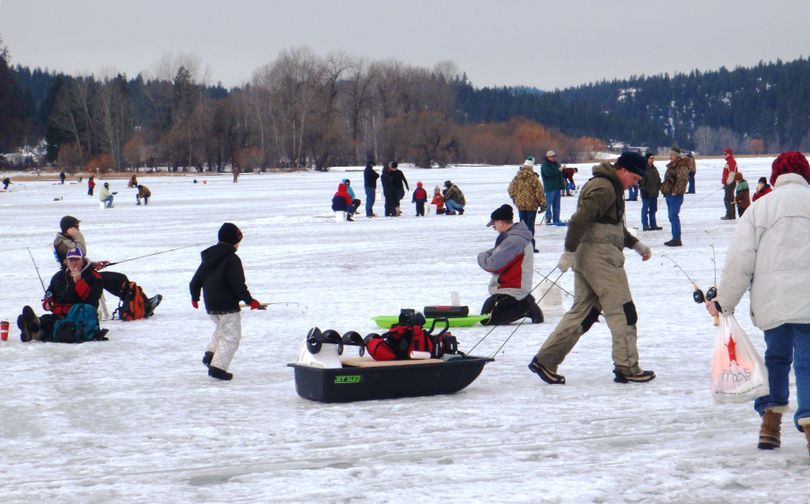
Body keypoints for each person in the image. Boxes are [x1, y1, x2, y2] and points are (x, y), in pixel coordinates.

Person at [705, 151, 810, 455]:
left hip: (772, 300)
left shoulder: (759, 208)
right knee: (808, 362)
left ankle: (770, 425)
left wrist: (723, 302)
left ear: (776, 176)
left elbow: (740, 261)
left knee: (777, 359)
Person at [529, 152, 655, 385]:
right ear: (623, 170)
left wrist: (635, 244)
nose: (634, 185)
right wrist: (569, 250)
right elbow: (579, 220)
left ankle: (546, 360)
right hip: (601, 259)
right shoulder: (605, 188)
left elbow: (608, 226)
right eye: (635, 179)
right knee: (623, 311)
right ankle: (627, 366)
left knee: (583, 314)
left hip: (589, 257)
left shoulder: (607, 186)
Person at [190, 223, 262, 381]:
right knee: (231, 337)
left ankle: (210, 356)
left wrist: (195, 297)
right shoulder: (232, 259)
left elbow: (194, 281)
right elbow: (238, 285)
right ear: (233, 241)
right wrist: (250, 301)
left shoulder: (209, 258)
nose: (238, 245)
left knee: (222, 330)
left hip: (211, 306)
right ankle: (218, 368)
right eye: (238, 241)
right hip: (228, 307)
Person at [53, 215, 163, 317]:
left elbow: (79, 260)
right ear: (69, 229)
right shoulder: (62, 243)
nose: (79, 230)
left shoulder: (65, 240)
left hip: (82, 273)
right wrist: (77, 235)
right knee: (113, 280)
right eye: (76, 227)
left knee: (120, 278)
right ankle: (142, 306)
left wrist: (93, 264)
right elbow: (81, 252)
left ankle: (140, 304)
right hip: (74, 278)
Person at [17, 247, 106, 342]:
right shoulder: (59, 276)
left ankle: (36, 331)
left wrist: (79, 281)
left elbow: (91, 299)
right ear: (66, 262)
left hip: (79, 317)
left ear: (82, 260)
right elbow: (49, 293)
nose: (74, 263)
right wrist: (48, 303)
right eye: (71, 260)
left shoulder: (94, 276)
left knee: (59, 327)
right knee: (45, 320)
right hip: (58, 314)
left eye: (77, 259)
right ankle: (32, 328)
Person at [477, 204, 544, 325]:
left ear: (502, 222)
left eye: (494, 224)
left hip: (512, 289)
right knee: (487, 314)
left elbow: (492, 264)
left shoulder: (514, 240)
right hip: (509, 288)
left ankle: (526, 305)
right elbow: (497, 254)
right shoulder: (513, 237)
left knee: (488, 318)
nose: (493, 227)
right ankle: (524, 304)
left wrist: (481, 256)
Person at [507, 156, 547, 253]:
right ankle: (530, 246)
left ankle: (523, 247)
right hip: (531, 206)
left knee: (522, 226)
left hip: (520, 205)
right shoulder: (533, 178)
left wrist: (515, 199)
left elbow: (510, 189)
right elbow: (539, 192)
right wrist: (543, 204)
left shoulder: (517, 177)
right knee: (530, 226)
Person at [660, 146, 689, 246]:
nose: (670, 156)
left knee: (674, 216)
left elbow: (682, 181)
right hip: (669, 194)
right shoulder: (672, 166)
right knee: (671, 217)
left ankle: (676, 239)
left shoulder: (681, 166)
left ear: (677, 156)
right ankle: (674, 237)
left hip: (675, 196)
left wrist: (675, 192)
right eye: (670, 154)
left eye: (672, 155)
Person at [540, 150, 566, 226]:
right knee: (549, 204)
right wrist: (558, 170)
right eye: (553, 156)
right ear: (548, 157)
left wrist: (562, 169)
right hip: (550, 188)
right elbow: (548, 173)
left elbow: (559, 173)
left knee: (557, 205)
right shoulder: (545, 165)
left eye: (555, 156)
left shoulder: (555, 164)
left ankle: (556, 219)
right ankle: (548, 219)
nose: (554, 158)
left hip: (557, 187)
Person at [639, 152, 662, 231]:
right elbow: (641, 181)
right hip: (646, 193)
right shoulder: (643, 169)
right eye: (651, 158)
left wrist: (660, 187)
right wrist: (644, 190)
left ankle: (653, 225)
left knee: (653, 210)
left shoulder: (654, 169)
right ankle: (645, 225)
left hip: (654, 193)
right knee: (645, 210)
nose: (652, 160)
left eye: (653, 158)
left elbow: (658, 179)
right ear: (647, 159)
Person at [721, 148, 738, 220]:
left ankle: (729, 215)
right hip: (729, 183)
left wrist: (727, 183)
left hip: (730, 183)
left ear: (729, 154)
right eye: (724, 154)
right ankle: (731, 215)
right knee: (730, 199)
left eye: (725, 154)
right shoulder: (729, 161)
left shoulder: (731, 161)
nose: (724, 155)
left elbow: (732, 174)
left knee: (727, 199)